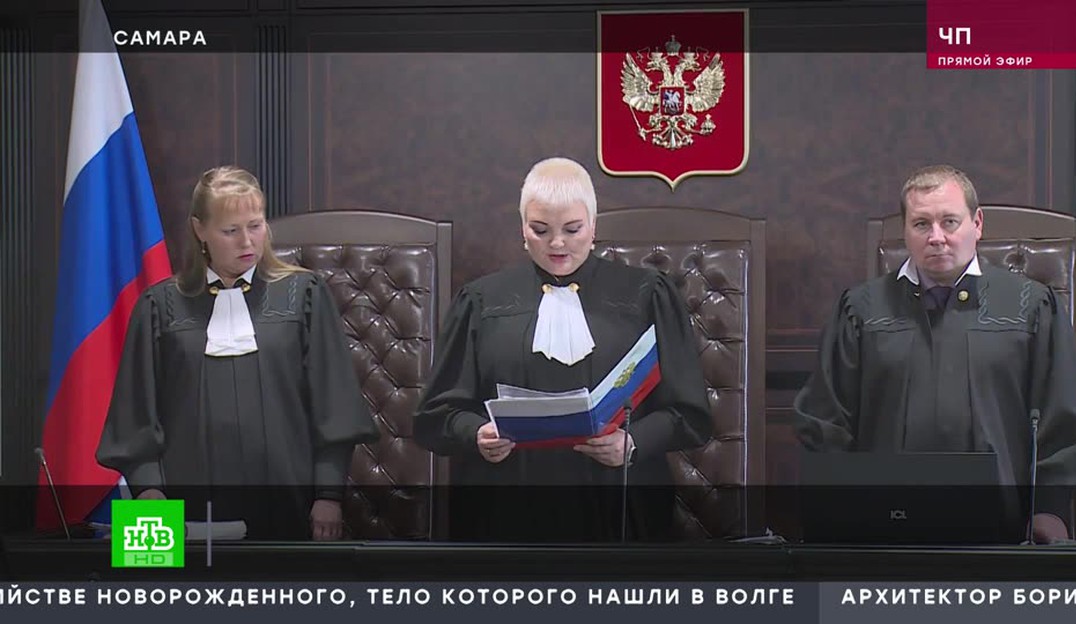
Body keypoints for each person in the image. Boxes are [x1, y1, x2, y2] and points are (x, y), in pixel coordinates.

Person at [794, 164, 1076, 543]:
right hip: (882, 531)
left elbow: (1063, 420)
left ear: (977, 224)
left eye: (950, 222)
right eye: (921, 224)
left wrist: (1049, 511)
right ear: (905, 231)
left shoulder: (1031, 306)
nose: (936, 237)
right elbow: (825, 422)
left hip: (1005, 533)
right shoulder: (861, 310)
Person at [414, 157, 713, 542]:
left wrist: (633, 441)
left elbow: (690, 414)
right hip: (507, 506)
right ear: (523, 228)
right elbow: (435, 416)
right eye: (540, 230)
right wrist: (476, 433)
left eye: (572, 229)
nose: (557, 243)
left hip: (619, 504)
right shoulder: (480, 301)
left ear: (593, 225)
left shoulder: (647, 295)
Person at [96, 166, 379, 540]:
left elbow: (334, 404)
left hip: (286, 499)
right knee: (158, 578)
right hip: (175, 503)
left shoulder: (305, 294)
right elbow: (136, 413)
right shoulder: (158, 305)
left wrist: (329, 495)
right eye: (230, 231)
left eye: (256, 226)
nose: (247, 242)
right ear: (200, 230)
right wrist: (147, 490)